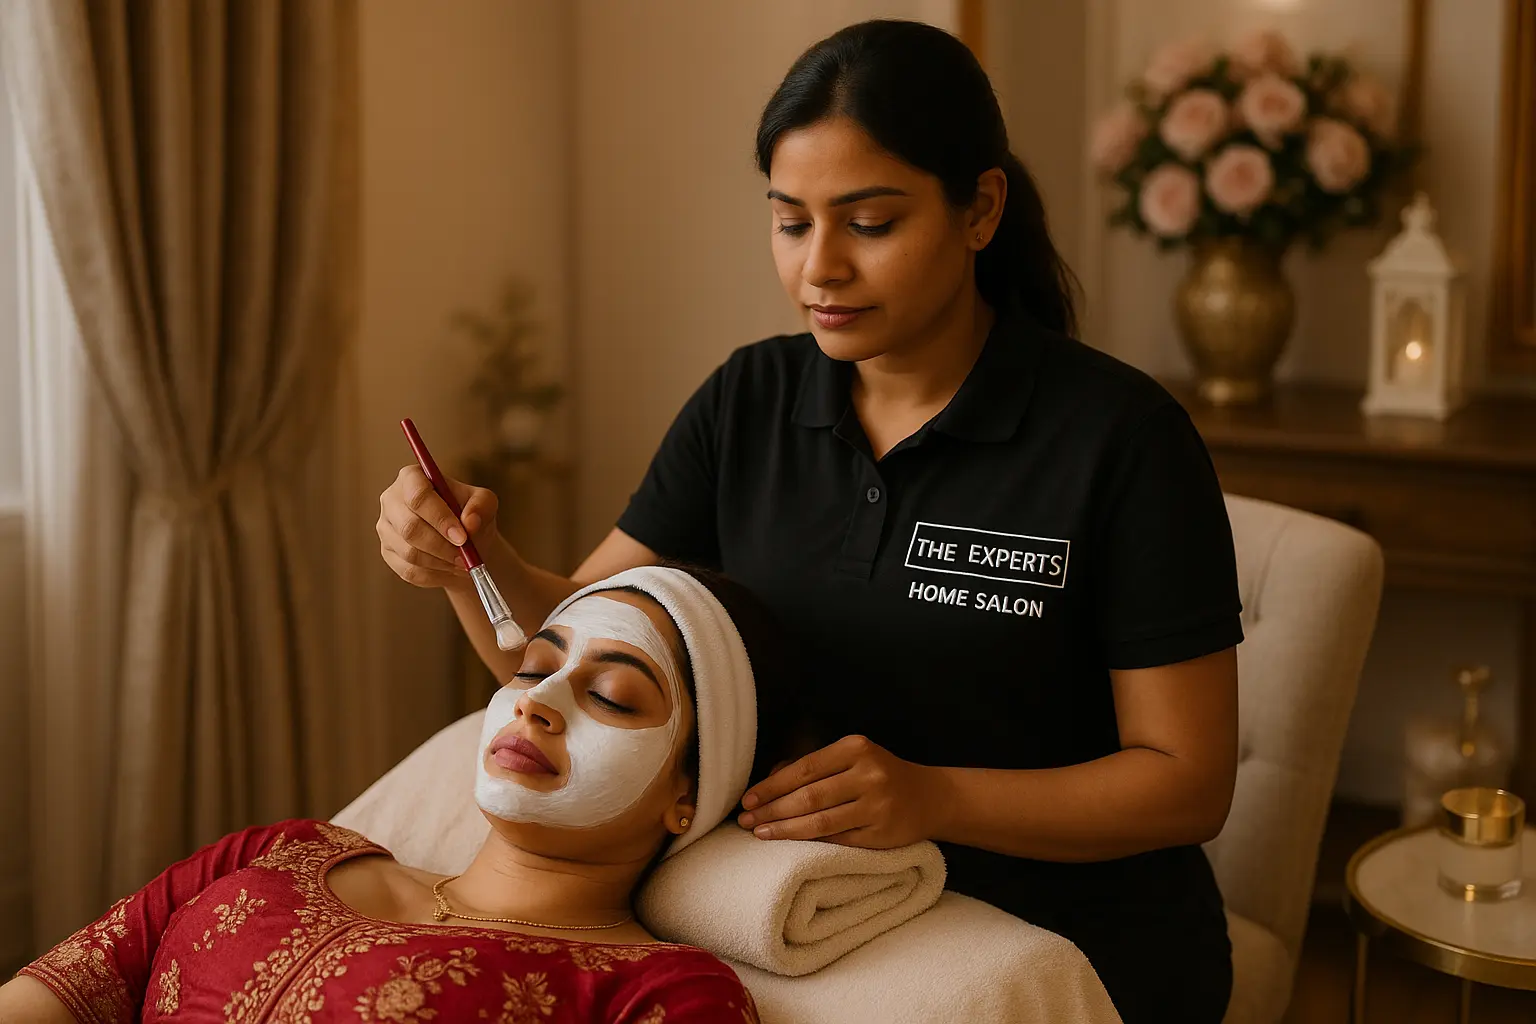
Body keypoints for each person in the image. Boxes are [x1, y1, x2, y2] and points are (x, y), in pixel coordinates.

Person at [373, 19, 1242, 1022]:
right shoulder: (749, 401)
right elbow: (562, 646)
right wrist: (472, 563)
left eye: (869, 224)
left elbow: (1187, 783)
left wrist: (933, 796)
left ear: (980, 209)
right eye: (791, 223)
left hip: (1061, 942)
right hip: (797, 910)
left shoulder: (1120, 439)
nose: (819, 268)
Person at [0, 566, 776, 1024]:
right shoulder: (286, 850)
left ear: (689, 794)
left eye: (611, 696)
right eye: (534, 669)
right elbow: (48, 1000)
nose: (537, 702)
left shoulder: (661, 994)